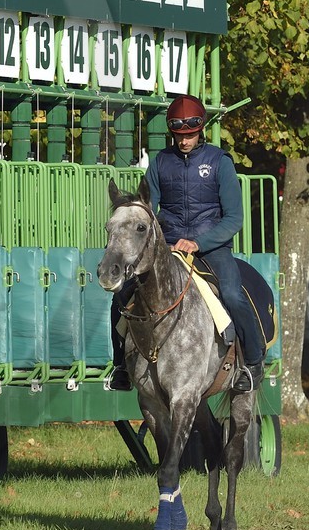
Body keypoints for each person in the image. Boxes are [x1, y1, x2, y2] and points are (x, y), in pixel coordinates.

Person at [108, 94, 265, 394]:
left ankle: (253, 363)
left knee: (232, 294)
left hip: (212, 248)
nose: (184, 141)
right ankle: (120, 367)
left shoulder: (220, 162)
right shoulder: (160, 163)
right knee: (121, 297)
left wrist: (198, 242)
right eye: (179, 135)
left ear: (201, 130)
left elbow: (234, 219)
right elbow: (148, 210)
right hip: (167, 247)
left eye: (190, 135)